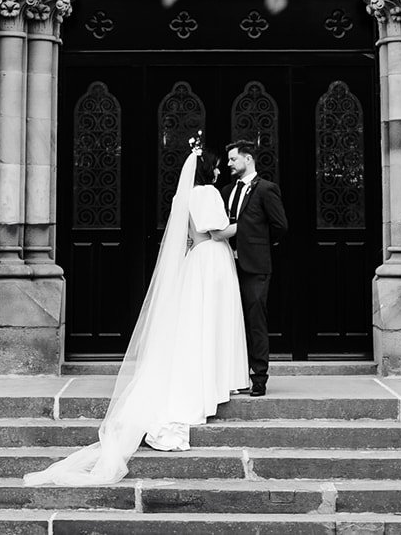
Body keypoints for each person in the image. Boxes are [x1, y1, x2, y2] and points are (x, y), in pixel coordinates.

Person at [24, 135, 247, 486]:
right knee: (210, 321)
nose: (221, 169)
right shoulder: (206, 194)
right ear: (210, 167)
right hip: (211, 260)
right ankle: (214, 380)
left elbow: (191, 235)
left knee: (199, 322)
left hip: (199, 258)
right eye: (218, 164)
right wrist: (249, 222)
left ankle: (214, 377)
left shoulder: (186, 194)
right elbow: (218, 232)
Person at [219, 139, 288, 397]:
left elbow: (280, 225)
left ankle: (258, 376)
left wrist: (255, 244)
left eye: (233, 159)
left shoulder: (266, 189)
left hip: (256, 265)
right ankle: (232, 375)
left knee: (255, 320)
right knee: (229, 321)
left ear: (248, 159)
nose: (229, 164)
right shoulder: (226, 191)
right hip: (226, 264)